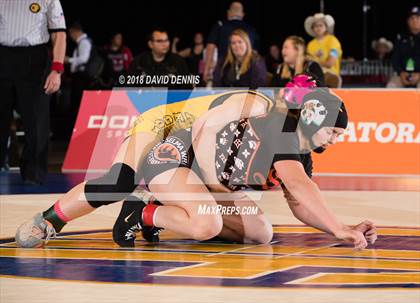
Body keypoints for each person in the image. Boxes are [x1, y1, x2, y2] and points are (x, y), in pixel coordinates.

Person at [111, 87, 377, 249]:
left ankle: (179, 209)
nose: (334, 140)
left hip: (209, 183)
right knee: (206, 224)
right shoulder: (282, 126)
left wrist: (342, 227)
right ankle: (141, 212)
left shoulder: (302, 155)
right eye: (333, 131)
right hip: (173, 160)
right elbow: (298, 185)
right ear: (313, 119)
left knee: (261, 233)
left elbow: (299, 204)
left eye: (339, 135)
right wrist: (340, 229)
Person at [15, 86, 277, 247]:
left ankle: (153, 209)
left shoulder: (272, 131)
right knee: (119, 182)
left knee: (256, 231)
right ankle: (48, 220)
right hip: (163, 127)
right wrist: (215, 184)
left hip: (191, 152)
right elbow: (203, 127)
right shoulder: (259, 104)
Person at [0, 0, 66, 183]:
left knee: (37, 123)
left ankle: (33, 177)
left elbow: (59, 35)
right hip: (2, 56)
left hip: (34, 60)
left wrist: (57, 70)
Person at [203, 1, 260, 84]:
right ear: (242, 14)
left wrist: (206, 69)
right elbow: (255, 53)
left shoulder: (220, 25)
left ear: (229, 12)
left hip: (223, 70)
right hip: (247, 72)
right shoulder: (251, 29)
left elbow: (210, 47)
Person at [305, 13, 343, 88]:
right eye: (316, 26)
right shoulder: (310, 45)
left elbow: (330, 63)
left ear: (326, 27)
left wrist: (314, 59)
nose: (318, 28)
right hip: (314, 79)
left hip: (331, 77)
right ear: (312, 28)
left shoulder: (333, 40)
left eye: (321, 25)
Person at [65, 22, 93, 120]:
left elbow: (84, 59)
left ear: (75, 31)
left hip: (82, 79)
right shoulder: (81, 43)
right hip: (79, 78)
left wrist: (68, 60)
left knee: (78, 104)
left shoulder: (84, 42)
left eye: (71, 33)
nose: (71, 36)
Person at [387, 6, 420, 88]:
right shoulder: (401, 38)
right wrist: (401, 73)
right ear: (408, 21)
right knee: (391, 86)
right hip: (403, 75)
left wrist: (419, 75)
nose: (415, 20)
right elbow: (395, 59)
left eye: (418, 18)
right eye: (412, 18)